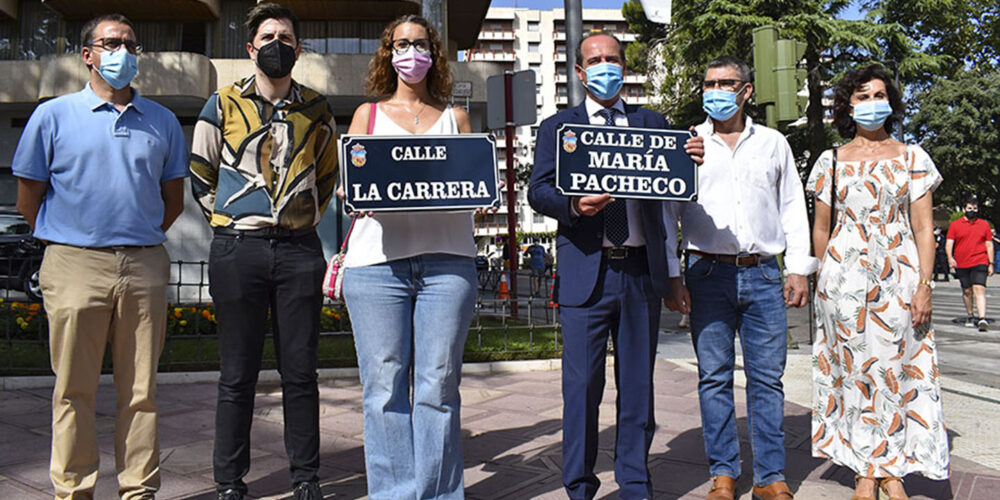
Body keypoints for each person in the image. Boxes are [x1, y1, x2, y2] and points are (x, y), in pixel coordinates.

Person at [12, 13, 187, 499]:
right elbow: (30, 197)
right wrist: (71, 236)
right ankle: (73, 490)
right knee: (73, 390)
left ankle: (138, 489)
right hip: (73, 263)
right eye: (111, 43)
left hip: (144, 263)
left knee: (141, 393)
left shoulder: (163, 121)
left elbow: (172, 200)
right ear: (87, 54)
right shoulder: (53, 116)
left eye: (131, 44)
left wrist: (135, 236)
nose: (123, 52)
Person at [528, 31, 704, 499]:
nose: (605, 67)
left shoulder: (653, 123)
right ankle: (580, 486)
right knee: (581, 388)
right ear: (580, 73)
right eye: (595, 60)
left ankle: (634, 483)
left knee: (637, 388)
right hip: (587, 271)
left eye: (613, 59)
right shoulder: (558, 128)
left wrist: (693, 158)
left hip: (639, 274)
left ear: (624, 68)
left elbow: (677, 185)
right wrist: (573, 207)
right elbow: (538, 190)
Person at [188, 3, 337, 499]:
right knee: (237, 374)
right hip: (238, 250)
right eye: (268, 35)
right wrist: (235, 219)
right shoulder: (222, 103)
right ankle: (230, 482)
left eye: (287, 36)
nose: (278, 42)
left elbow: (328, 176)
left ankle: (306, 477)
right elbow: (202, 176)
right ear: (251, 48)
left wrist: (298, 219)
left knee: (301, 372)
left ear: (299, 48)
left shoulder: (317, 108)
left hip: (299, 252)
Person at [662, 56, 815, 500]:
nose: (717, 91)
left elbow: (791, 205)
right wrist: (674, 277)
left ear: (747, 91)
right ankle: (723, 474)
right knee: (713, 376)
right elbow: (668, 213)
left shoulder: (772, 143)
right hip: (706, 271)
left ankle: (770, 476)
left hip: (764, 272)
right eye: (709, 83)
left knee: (768, 379)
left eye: (727, 83)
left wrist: (799, 267)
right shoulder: (687, 143)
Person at [340, 15, 476, 499]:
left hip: (448, 263)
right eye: (402, 44)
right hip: (376, 267)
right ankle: (394, 494)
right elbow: (351, 182)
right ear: (388, 53)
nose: (411, 52)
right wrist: (349, 194)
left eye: (420, 44)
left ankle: (439, 494)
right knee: (383, 392)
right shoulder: (366, 116)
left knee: (437, 389)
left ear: (433, 55)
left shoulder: (456, 119)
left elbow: (472, 185)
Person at [807, 64, 949, 500]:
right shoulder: (830, 160)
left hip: (900, 278)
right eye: (862, 96)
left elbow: (924, 228)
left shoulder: (913, 158)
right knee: (853, 372)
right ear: (848, 105)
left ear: (892, 101)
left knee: (899, 370)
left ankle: (894, 469)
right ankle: (866, 470)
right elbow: (821, 228)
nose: (872, 103)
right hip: (843, 282)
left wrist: (925, 284)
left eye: (879, 95)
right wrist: (820, 281)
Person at [946, 196, 994, 331]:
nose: (972, 210)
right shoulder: (955, 225)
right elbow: (949, 243)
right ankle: (970, 314)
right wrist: (950, 258)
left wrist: (991, 263)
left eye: (975, 208)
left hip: (980, 261)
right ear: (964, 209)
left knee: (979, 288)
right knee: (967, 290)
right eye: (969, 208)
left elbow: (989, 245)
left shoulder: (984, 225)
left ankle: (982, 318)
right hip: (962, 262)